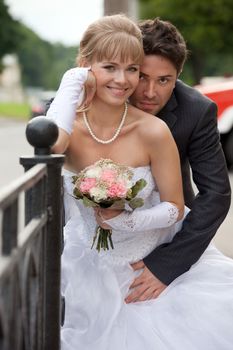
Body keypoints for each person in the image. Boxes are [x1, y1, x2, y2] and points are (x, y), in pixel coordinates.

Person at [47, 14, 233, 350]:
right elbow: (50, 142)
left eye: (164, 81)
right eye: (140, 74)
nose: (147, 91)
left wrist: (168, 265)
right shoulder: (70, 111)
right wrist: (75, 79)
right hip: (89, 254)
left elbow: (216, 194)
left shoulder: (193, 111)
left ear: (178, 78)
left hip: (164, 243)